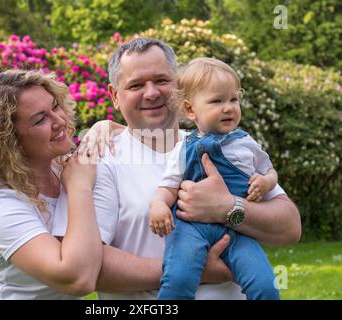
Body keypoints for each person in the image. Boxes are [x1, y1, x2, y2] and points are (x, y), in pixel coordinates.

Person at [54, 37, 301, 300]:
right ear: (115, 96)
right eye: (136, 85)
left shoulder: (224, 144)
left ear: (180, 88)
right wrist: (192, 270)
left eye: (161, 81)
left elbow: (290, 227)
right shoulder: (99, 160)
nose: (151, 93)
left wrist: (229, 208)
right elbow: (85, 267)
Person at [0, 69, 102, 299]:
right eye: (40, 119)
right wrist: (79, 188)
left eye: (55, 106)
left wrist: (105, 126)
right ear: (8, 140)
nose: (59, 121)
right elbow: (78, 278)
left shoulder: (63, 168)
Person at [149, 57, 280, 300]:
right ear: (190, 109)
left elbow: (270, 171)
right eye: (217, 101)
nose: (228, 107)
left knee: (266, 286)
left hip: (237, 231)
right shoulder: (183, 147)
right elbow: (168, 185)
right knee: (178, 278)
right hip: (190, 228)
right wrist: (158, 204)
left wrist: (266, 182)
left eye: (233, 99)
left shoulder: (247, 143)